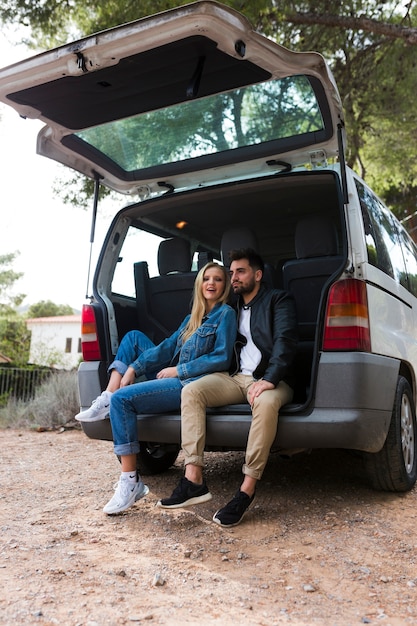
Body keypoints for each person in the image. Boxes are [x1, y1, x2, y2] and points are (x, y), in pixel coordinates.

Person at [76, 262, 237, 515]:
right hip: (169, 374)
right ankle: (108, 394)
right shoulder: (192, 318)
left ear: (224, 286)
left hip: (188, 382)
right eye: (207, 278)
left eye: (218, 279)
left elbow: (221, 357)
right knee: (132, 338)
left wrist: (178, 371)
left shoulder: (225, 314)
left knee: (123, 401)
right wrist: (134, 368)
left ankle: (131, 483)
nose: (211, 283)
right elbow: (165, 348)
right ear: (199, 283)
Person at [158, 248, 298, 527]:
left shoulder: (278, 300)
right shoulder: (229, 310)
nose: (233, 277)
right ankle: (193, 478)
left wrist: (269, 379)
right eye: (231, 272)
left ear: (257, 275)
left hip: (274, 379)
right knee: (192, 391)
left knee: (267, 402)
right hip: (235, 378)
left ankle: (246, 490)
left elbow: (285, 342)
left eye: (240, 271)